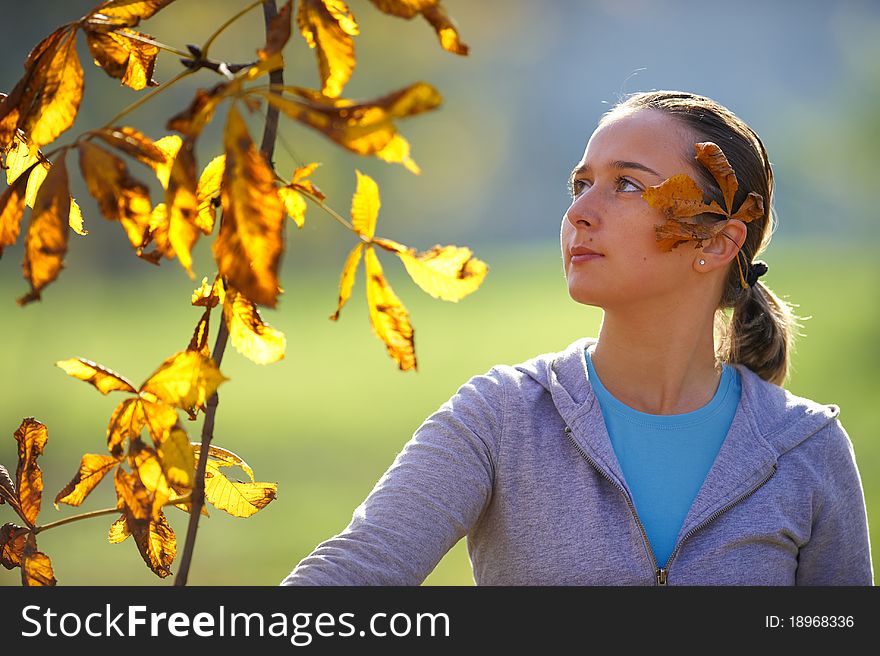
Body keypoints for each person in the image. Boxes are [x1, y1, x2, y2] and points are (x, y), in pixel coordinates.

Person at [280, 90, 874, 586]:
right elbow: (354, 572)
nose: (579, 213)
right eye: (581, 184)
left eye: (628, 186)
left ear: (718, 242)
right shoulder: (501, 417)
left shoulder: (806, 449)